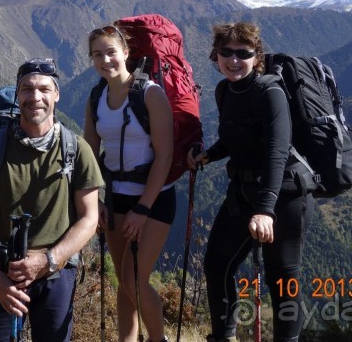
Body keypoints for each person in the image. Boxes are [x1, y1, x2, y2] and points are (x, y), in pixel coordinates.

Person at [187, 22, 315, 342]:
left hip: (284, 195)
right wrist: (208, 155)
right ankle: (223, 337)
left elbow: (276, 150)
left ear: (256, 56)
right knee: (217, 265)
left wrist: (265, 210)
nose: (233, 59)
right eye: (226, 52)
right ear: (215, 55)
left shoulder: (270, 91)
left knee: (282, 277)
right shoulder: (224, 91)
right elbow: (235, 139)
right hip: (243, 192)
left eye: (242, 53)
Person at [0, 58, 103, 342]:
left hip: (55, 273)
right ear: (17, 94)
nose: (35, 97)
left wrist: (48, 260)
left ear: (56, 94)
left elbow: (90, 218)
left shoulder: (77, 149)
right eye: (27, 89)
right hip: (2, 271)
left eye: (44, 89)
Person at [82, 24, 175, 342]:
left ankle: (157, 339)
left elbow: (164, 157)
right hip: (115, 199)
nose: (105, 60)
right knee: (124, 279)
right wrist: (94, 202)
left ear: (125, 52)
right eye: (98, 54)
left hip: (154, 199)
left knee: (134, 279)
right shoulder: (96, 97)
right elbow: (89, 155)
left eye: (110, 52)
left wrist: (142, 208)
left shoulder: (150, 94)